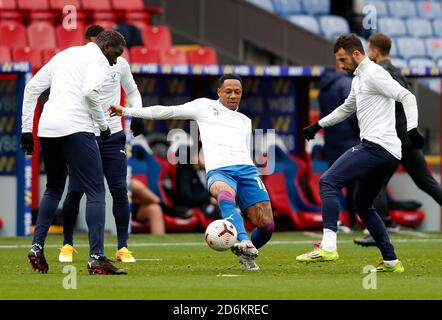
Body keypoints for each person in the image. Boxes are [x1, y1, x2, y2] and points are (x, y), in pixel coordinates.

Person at [109, 74, 274, 271]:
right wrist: (127, 110)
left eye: (237, 92)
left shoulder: (244, 121)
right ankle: (244, 239)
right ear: (219, 92)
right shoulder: (204, 106)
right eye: (228, 91)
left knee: (266, 226)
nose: (232, 95)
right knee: (224, 194)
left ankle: (247, 252)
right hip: (220, 170)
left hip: (247, 170)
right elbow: (167, 112)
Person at [296, 34, 424, 272]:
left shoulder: (374, 74)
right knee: (363, 204)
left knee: (328, 182)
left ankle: (328, 246)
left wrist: (412, 130)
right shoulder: (358, 78)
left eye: (343, 59)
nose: (341, 65)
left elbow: (407, 96)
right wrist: (318, 126)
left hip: (377, 147)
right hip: (387, 152)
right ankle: (391, 261)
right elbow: (347, 108)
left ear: (356, 54)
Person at [21, 30, 128, 275]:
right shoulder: (99, 59)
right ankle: (96, 258)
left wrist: (27, 130)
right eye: (116, 53)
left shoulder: (64, 54)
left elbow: (31, 88)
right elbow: (90, 93)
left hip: (47, 128)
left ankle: (37, 246)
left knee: (54, 187)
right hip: (77, 127)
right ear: (106, 45)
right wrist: (102, 126)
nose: (116, 61)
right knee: (95, 190)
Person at [58, 25, 145, 264]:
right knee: (75, 190)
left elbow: (133, 91)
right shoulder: (83, 65)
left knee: (119, 190)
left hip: (114, 136)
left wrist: (135, 113)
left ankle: (122, 247)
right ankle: (67, 244)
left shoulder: (121, 64)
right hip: (85, 133)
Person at [354, 32, 442, 246]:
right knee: (427, 183)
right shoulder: (398, 73)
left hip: (392, 141)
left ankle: (380, 228)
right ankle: (381, 227)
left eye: (369, 49)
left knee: (376, 184)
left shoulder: (379, 73)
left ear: (374, 51)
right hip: (407, 140)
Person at [319, 61, 359, 230]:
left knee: (332, 183)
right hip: (349, 141)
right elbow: (350, 112)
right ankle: (354, 221)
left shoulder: (323, 86)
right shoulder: (346, 83)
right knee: (354, 185)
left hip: (331, 142)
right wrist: (361, 131)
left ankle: (334, 221)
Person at [174, 143, 221, 220]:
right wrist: (208, 199)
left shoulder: (206, 172)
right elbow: (186, 197)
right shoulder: (185, 174)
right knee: (216, 210)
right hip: (195, 207)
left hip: (208, 204)